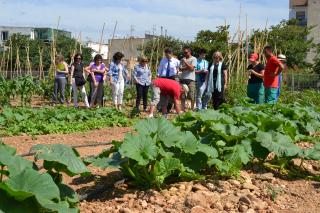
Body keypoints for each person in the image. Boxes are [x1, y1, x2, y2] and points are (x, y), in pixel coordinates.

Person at [179, 46, 197, 111]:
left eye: (186, 52)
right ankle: (182, 109)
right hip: (183, 79)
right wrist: (188, 67)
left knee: (192, 95)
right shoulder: (181, 59)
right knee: (182, 95)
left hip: (191, 80)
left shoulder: (193, 59)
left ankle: (192, 109)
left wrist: (185, 62)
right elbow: (180, 69)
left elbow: (192, 69)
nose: (185, 54)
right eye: (184, 52)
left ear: (190, 52)